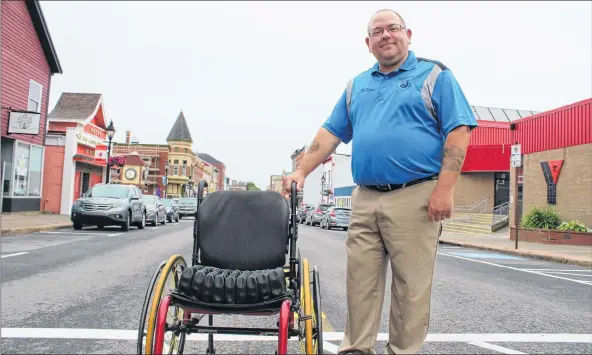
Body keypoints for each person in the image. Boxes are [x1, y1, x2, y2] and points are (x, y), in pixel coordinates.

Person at [284, 8, 478, 355]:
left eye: (393, 29)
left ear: (408, 34)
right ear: (368, 43)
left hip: (416, 195)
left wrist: (445, 189)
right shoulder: (357, 85)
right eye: (378, 32)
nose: (386, 35)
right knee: (360, 283)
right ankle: (356, 350)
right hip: (366, 197)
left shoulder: (434, 75)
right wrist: (301, 171)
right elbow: (329, 134)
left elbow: (458, 131)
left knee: (411, 287)